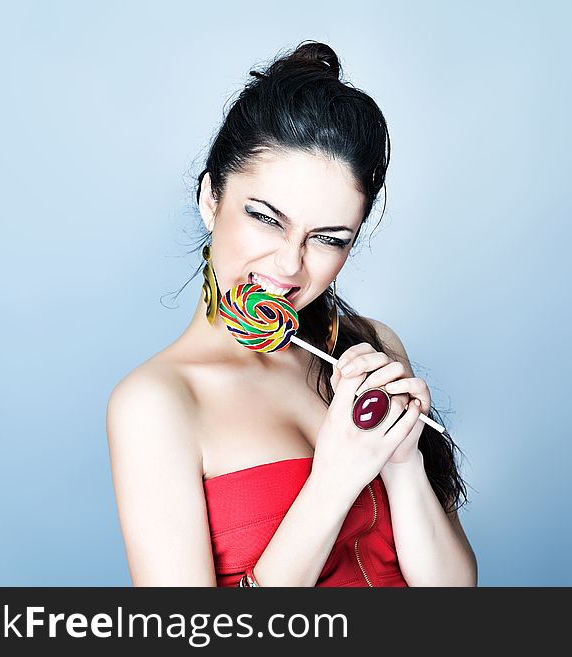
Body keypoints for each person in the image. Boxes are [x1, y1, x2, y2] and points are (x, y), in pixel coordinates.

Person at [106, 40, 477, 587]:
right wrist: (333, 480)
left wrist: (402, 463)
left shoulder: (370, 348)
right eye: (265, 218)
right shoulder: (155, 403)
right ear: (212, 198)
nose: (289, 264)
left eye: (327, 238)